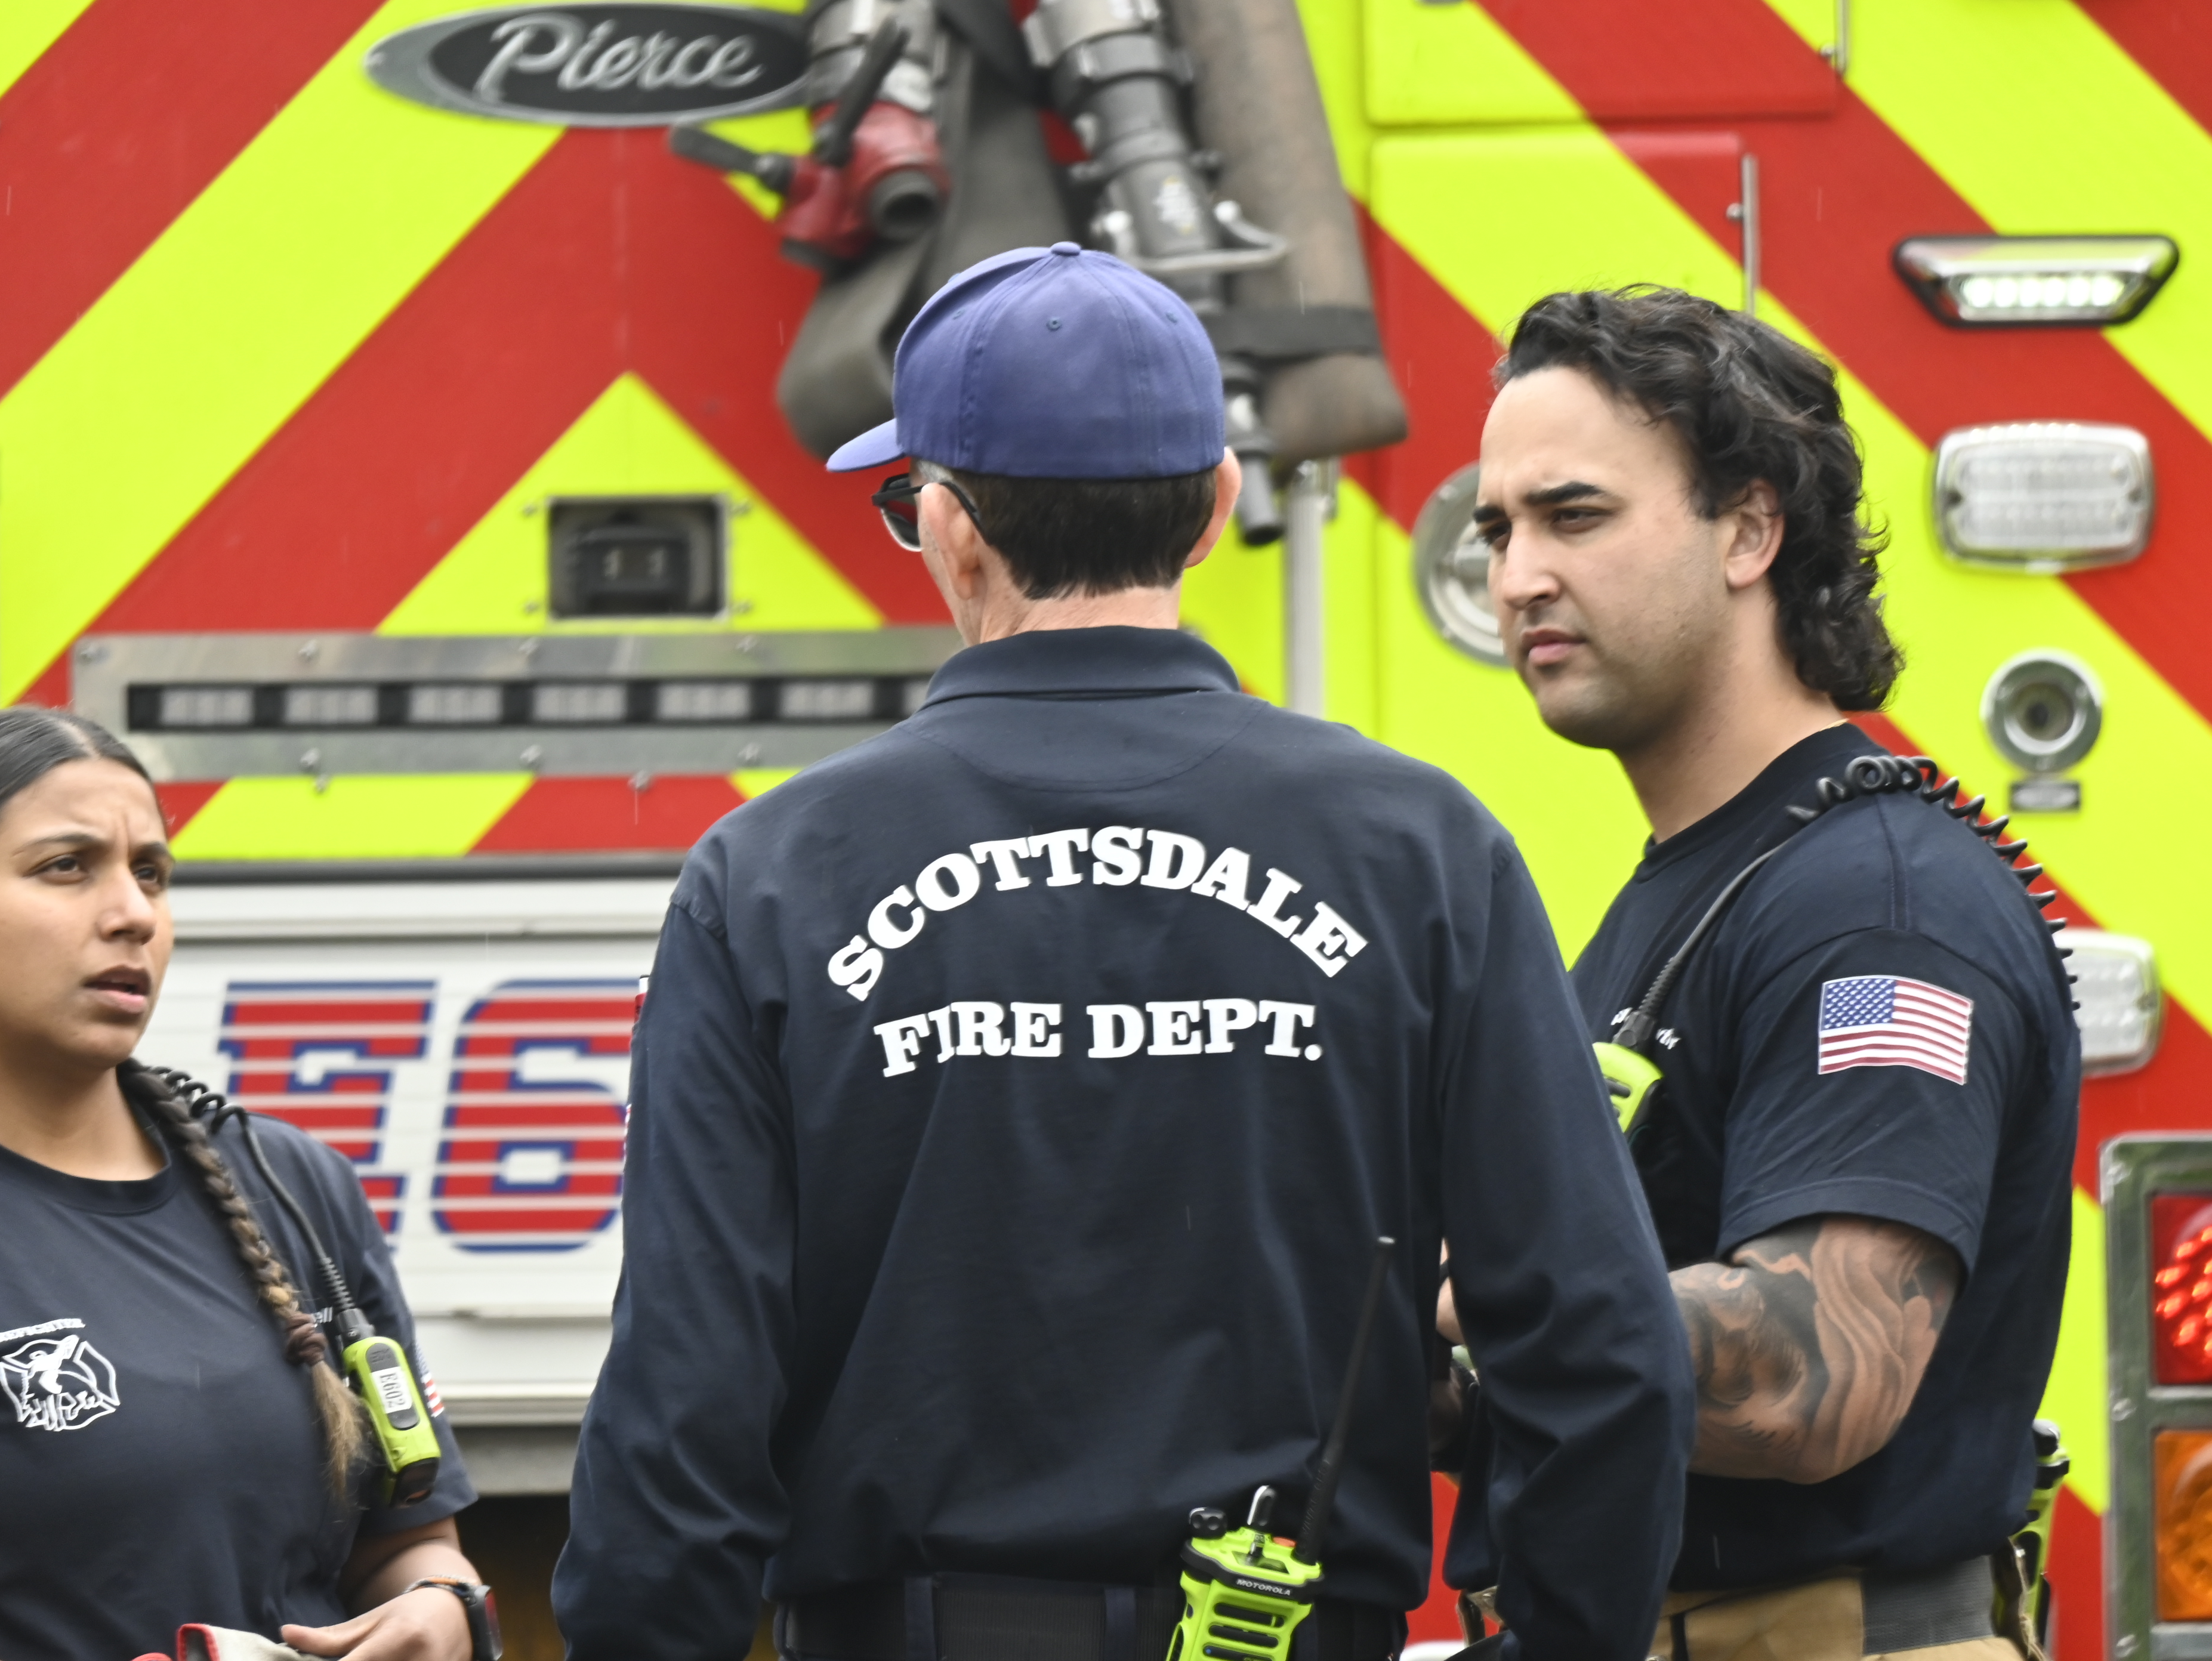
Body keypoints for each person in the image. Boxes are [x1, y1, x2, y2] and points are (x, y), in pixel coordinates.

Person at [553, 242, 1693, 1661]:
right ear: (1214, 509)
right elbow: (1601, 1347)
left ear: (951, 528)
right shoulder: (1421, 852)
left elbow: (686, 1399)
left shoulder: (774, 876)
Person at [1469, 286, 2080, 1661]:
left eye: (1574, 517)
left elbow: (1817, 1374)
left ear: (1751, 530)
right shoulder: (1703, 886)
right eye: (1497, 532)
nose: (1518, 578)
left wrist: (1476, 1285)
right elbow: (1570, 1376)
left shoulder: (1875, 910)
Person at [0, 709, 499, 1661]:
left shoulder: (296, 1188)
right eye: (67, 867)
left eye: (151, 874)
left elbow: (415, 1542)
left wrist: (439, 1605)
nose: (133, 912)